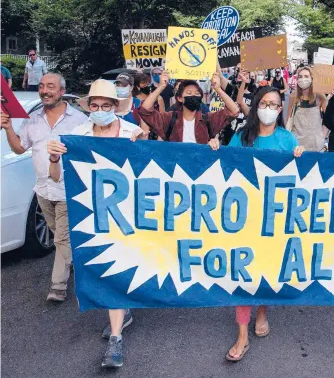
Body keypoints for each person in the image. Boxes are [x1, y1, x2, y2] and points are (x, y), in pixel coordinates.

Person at [47, 79, 145, 369]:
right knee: (107, 267)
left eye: (106, 105)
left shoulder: (132, 131)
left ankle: (119, 325)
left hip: (128, 212)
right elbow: (56, 177)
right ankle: (119, 324)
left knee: (123, 264)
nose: (99, 110)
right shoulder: (77, 135)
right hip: (92, 214)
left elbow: (152, 166)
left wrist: (137, 148)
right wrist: (55, 157)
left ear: (116, 107)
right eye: (95, 105)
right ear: (89, 107)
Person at [208, 86, 304, 361]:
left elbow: (300, 178)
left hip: (275, 218)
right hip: (244, 217)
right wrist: (215, 149)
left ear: (280, 109)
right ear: (256, 105)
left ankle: (262, 311)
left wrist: (301, 155)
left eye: (275, 104)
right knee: (243, 272)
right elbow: (226, 167)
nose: (269, 108)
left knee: (268, 268)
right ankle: (242, 335)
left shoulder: (287, 139)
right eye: (264, 103)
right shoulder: (241, 137)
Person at [0, 73, 87, 301]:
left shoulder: (79, 120)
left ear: (61, 91)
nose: (44, 90)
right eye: (41, 86)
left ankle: (58, 286)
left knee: (61, 239)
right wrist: (8, 127)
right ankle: (76, 259)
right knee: (58, 232)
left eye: (50, 86)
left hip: (69, 190)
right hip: (42, 191)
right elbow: (19, 148)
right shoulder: (33, 120)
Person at [138, 72, 239, 143]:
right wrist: (161, 87)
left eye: (196, 93)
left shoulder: (208, 120)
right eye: (189, 93)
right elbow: (145, 110)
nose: (193, 95)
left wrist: (218, 89)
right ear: (180, 98)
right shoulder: (169, 119)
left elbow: (234, 111)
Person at [286, 67, 327, 151]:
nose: (303, 79)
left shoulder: (320, 96)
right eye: (300, 77)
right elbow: (288, 119)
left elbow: (328, 119)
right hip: (297, 143)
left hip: (316, 144)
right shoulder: (293, 96)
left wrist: (323, 135)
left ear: (311, 78)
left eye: (306, 76)